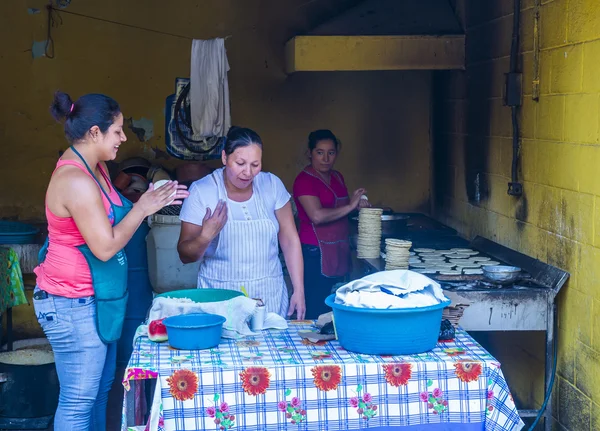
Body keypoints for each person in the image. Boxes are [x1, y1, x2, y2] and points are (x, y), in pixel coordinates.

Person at [33, 91, 189, 431]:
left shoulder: (98, 170)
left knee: (100, 392)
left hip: (95, 298)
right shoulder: (75, 181)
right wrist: (144, 207)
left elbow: (115, 217)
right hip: (70, 301)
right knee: (77, 402)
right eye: (116, 130)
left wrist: (152, 198)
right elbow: (105, 247)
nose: (122, 137)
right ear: (94, 133)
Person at [178, 127, 306, 319]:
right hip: (220, 301)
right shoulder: (202, 191)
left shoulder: (272, 185)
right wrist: (205, 236)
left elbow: (289, 240)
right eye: (240, 163)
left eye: (255, 164)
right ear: (224, 158)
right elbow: (184, 255)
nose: (248, 172)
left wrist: (299, 289)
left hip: (268, 296)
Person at [293, 129, 368, 319]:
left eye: (331, 152)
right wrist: (350, 205)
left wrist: (358, 207)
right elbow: (317, 216)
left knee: (335, 305)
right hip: (315, 253)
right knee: (317, 309)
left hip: (338, 250)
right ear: (309, 153)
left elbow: (343, 212)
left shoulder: (337, 177)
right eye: (320, 152)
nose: (326, 158)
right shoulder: (304, 181)